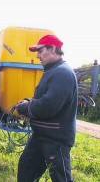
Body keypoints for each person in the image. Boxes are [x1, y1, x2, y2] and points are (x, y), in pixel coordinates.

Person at [15, 34, 78, 182]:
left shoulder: (62, 73)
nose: (37, 56)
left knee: (61, 178)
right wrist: (28, 101)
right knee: (26, 170)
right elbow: (43, 99)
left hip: (55, 140)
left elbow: (48, 106)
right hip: (41, 136)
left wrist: (25, 107)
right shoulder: (52, 70)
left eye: (40, 51)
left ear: (54, 49)